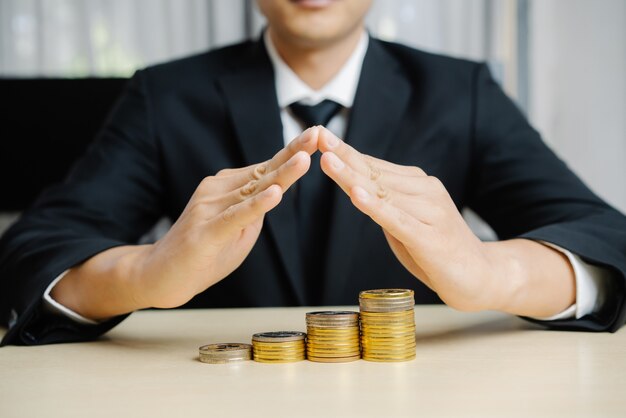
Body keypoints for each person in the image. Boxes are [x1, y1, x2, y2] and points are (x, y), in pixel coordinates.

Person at [1, 0, 625, 346]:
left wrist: (493, 274)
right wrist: (146, 272)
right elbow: (32, 249)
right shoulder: (165, 96)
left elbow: (606, 236)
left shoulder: (461, 92)